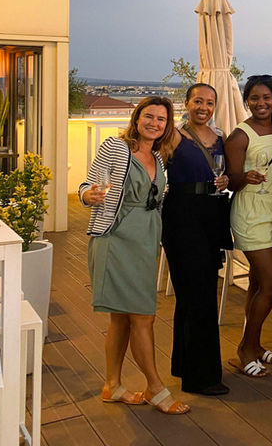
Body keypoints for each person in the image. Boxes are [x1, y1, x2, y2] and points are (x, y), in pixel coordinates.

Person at [79, 97, 189, 415]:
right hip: (117, 238)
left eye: (162, 119)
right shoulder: (115, 147)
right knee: (143, 316)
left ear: (167, 125)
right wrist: (88, 194)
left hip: (145, 239)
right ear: (136, 117)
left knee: (121, 317)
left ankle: (112, 385)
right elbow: (88, 184)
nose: (155, 123)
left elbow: (157, 198)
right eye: (149, 116)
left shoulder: (158, 155)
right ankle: (156, 388)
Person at [161, 83, 232, 395]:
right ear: (186, 103)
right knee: (198, 296)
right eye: (198, 101)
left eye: (210, 102)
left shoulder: (220, 138)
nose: (204, 107)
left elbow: (224, 176)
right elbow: (147, 162)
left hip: (211, 216)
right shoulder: (173, 135)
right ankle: (200, 377)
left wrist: (227, 179)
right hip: (181, 218)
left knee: (195, 294)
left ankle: (183, 364)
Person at [224, 75, 272, 377]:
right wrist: (247, 177)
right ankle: (245, 348)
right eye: (254, 98)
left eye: (267, 97)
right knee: (271, 282)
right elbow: (231, 179)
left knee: (257, 282)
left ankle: (255, 345)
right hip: (252, 211)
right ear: (247, 101)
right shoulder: (239, 136)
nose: (261, 103)